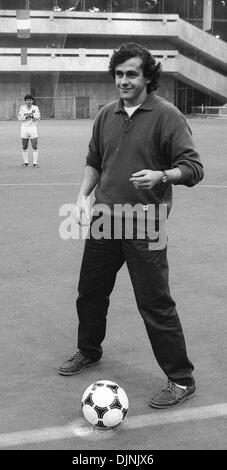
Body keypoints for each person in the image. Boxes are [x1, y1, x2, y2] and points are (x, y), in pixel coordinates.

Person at [59, 42, 204, 409]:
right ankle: (88, 350)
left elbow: (193, 168)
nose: (123, 81)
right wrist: (81, 197)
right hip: (105, 220)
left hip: (147, 222)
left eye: (131, 74)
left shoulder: (167, 116)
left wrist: (162, 175)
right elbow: (94, 160)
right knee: (90, 293)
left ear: (147, 77)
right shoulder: (106, 115)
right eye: (119, 74)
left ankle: (181, 378)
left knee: (154, 303)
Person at [18, 94, 41, 168]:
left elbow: (38, 116)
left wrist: (34, 117)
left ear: (32, 101)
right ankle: (25, 162)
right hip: (24, 128)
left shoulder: (35, 107)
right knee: (24, 146)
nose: (29, 101)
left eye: (30, 100)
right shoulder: (22, 108)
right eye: (27, 100)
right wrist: (26, 117)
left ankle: (35, 163)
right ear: (25, 101)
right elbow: (19, 118)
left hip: (33, 128)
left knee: (34, 145)